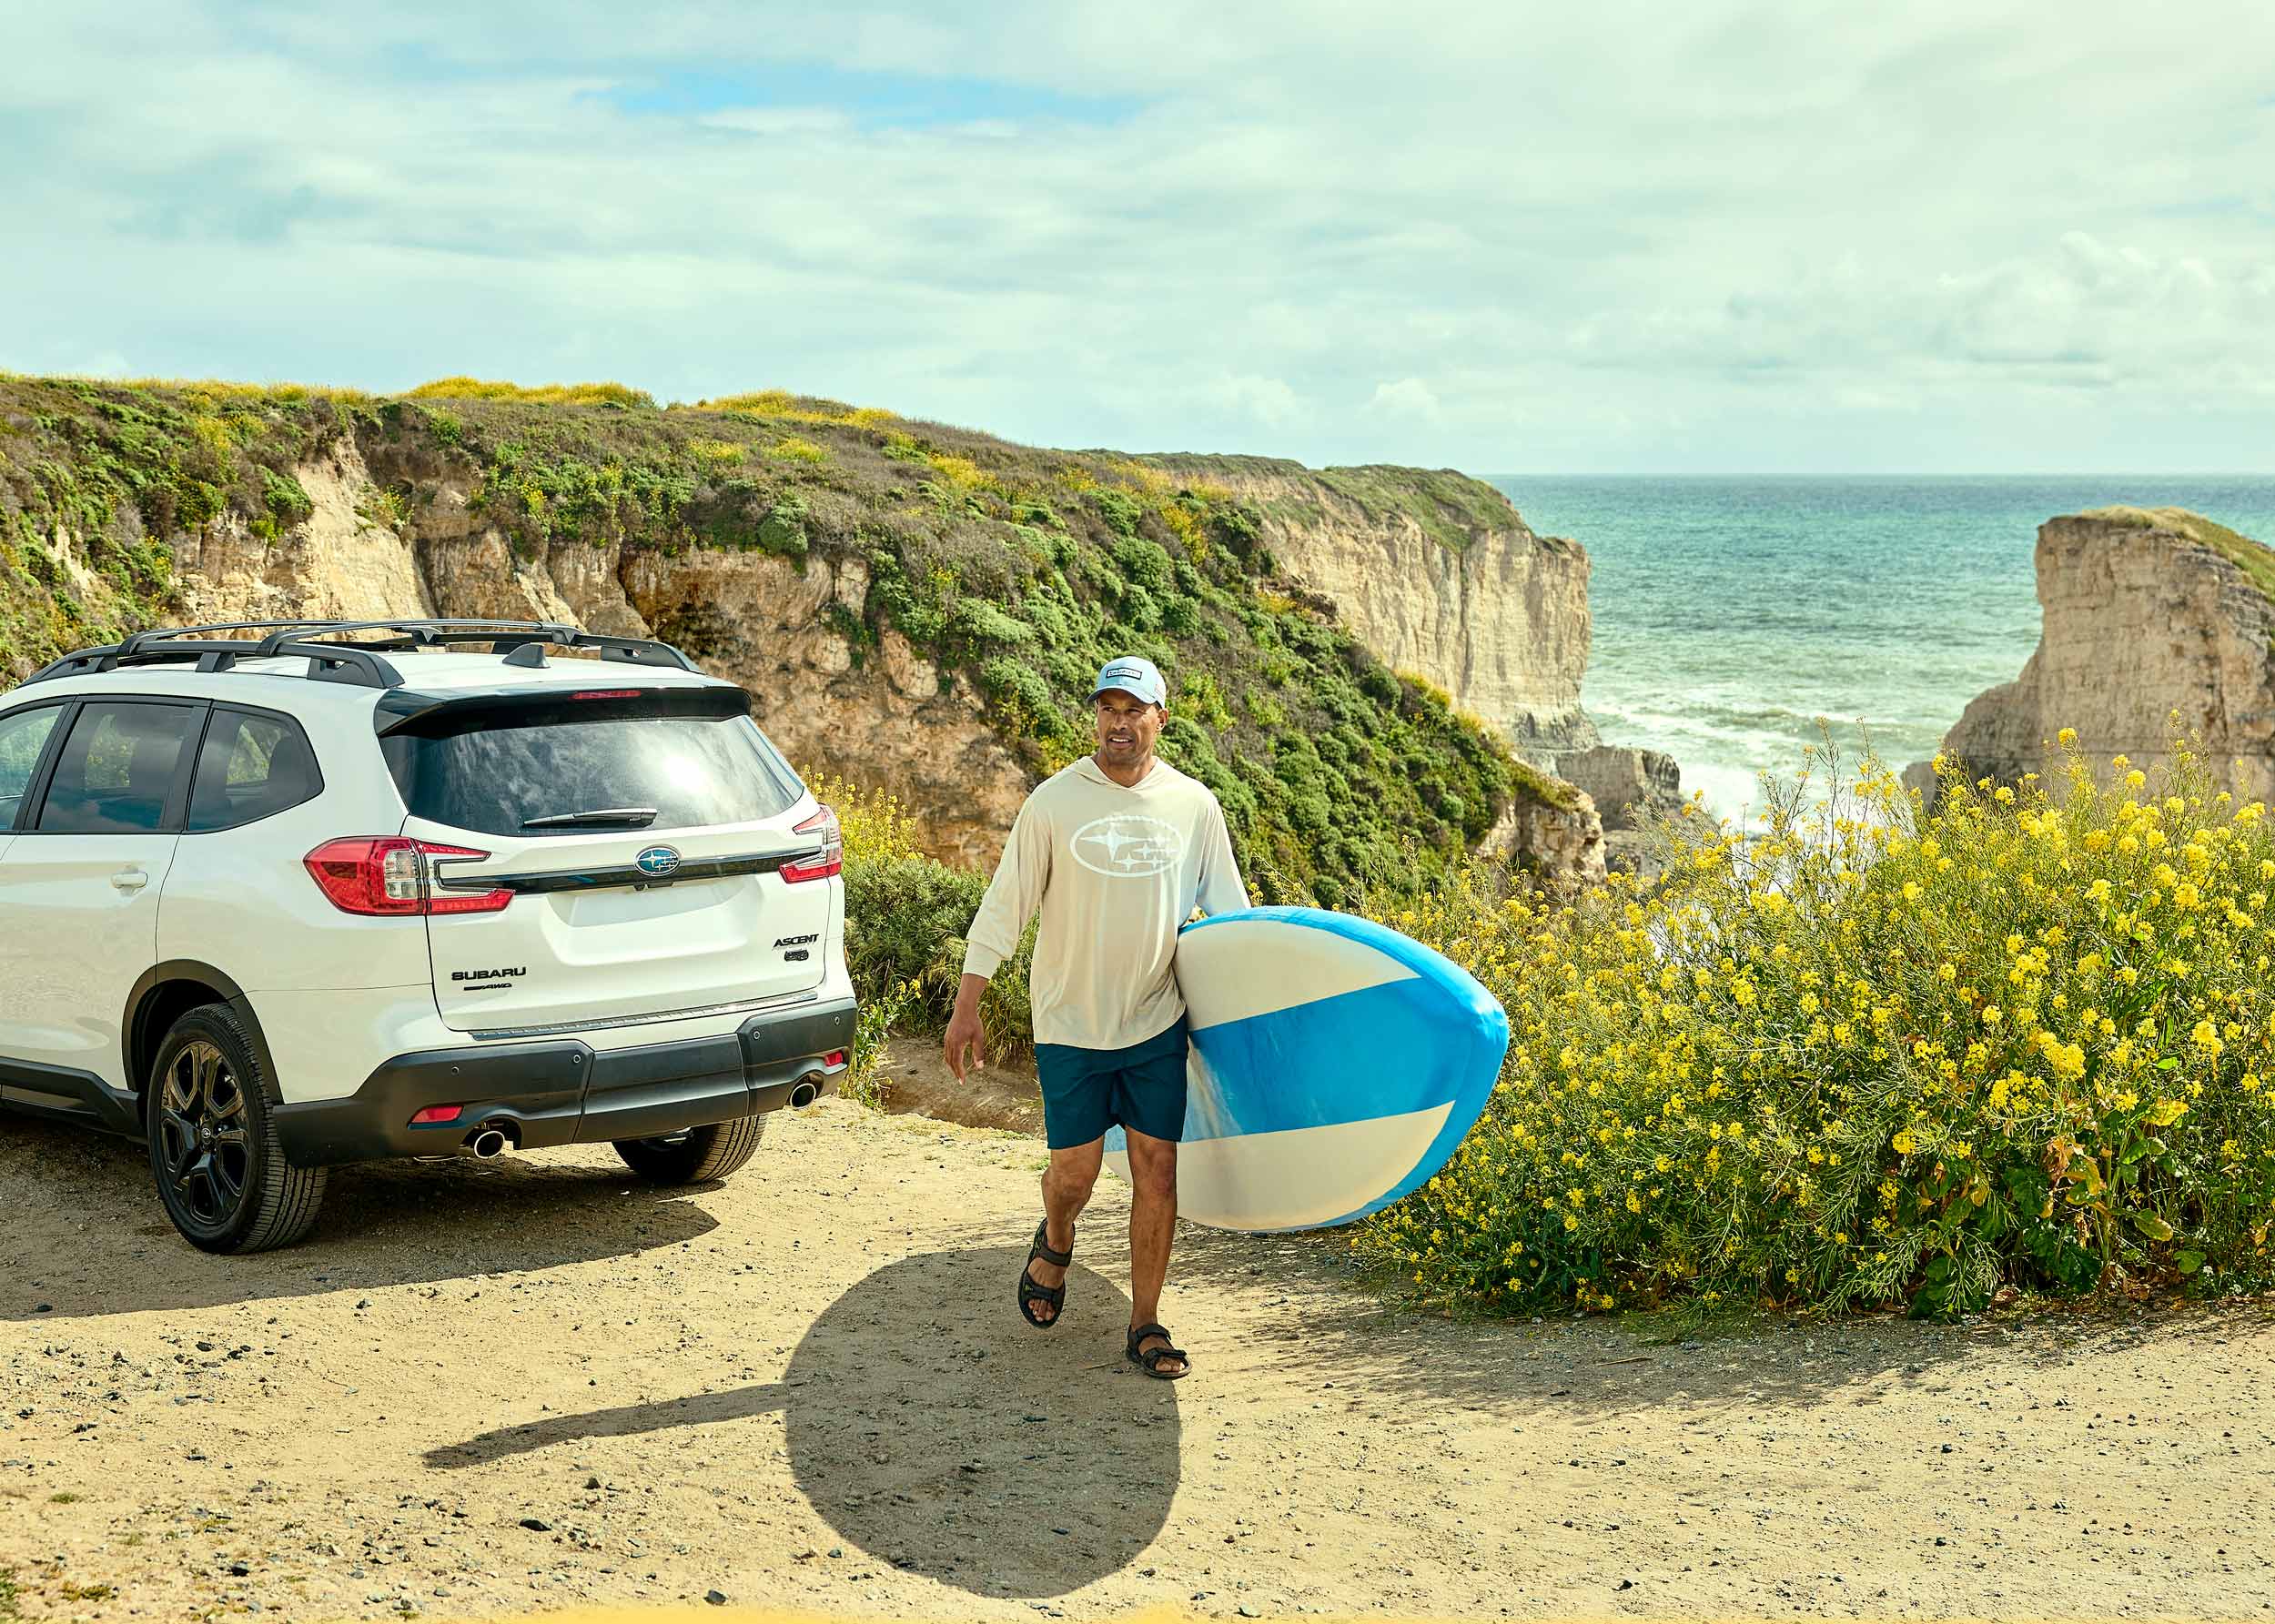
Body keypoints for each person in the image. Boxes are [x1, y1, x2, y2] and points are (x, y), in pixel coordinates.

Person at [944, 654, 1249, 1380]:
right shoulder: (1054, 801)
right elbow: (1007, 902)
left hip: (1155, 1022)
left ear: (1160, 718)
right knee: (1074, 1175)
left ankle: (1145, 1322)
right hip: (1070, 1024)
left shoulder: (1194, 805)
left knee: (1158, 1170)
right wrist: (967, 1003)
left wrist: (1256, 1016)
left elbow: (1231, 914)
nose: (1119, 722)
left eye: (1133, 709)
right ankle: (1057, 1234)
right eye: (1108, 708)